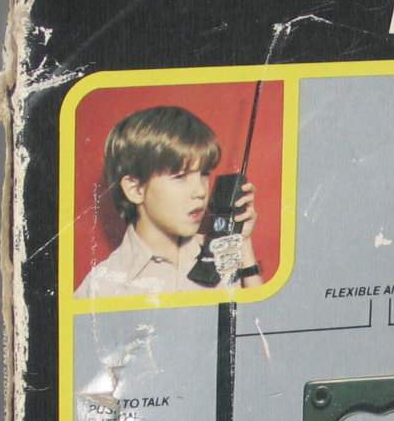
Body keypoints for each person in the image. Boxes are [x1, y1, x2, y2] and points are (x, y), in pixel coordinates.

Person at [77, 106, 262, 298]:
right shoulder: (101, 287)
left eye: (204, 174)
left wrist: (244, 244)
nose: (201, 191)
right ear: (136, 189)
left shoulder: (223, 253)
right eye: (180, 176)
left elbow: (264, 317)